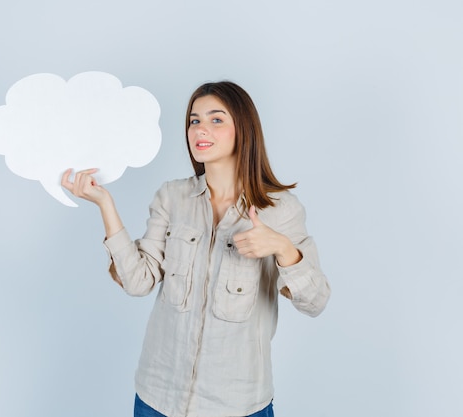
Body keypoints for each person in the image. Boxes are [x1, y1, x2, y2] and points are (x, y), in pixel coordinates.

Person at [61, 81, 331, 417]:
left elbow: (316, 301)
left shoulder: (280, 210)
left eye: (216, 120)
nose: (201, 129)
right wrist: (105, 204)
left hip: (237, 406)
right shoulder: (171, 197)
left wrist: (281, 247)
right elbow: (138, 281)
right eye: (194, 120)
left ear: (243, 130)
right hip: (157, 398)